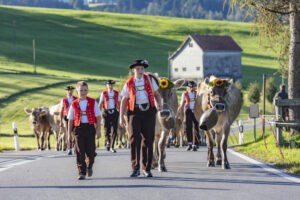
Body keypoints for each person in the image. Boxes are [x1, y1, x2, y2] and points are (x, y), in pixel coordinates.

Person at [119, 59, 162, 178]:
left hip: (149, 111)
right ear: (133, 70)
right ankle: (135, 168)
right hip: (134, 112)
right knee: (134, 139)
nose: (140, 71)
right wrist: (121, 117)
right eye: (138, 69)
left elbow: (157, 94)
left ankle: (147, 168)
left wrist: (159, 103)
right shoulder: (128, 83)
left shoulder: (150, 80)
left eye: (142, 69)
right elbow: (124, 100)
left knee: (148, 139)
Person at [67, 81, 101, 180]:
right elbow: (70, 120)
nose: (83, 92)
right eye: (81, 90)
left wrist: (98, 130)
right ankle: (81, 172)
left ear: (88, 91)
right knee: (79, 151)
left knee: (91, 152)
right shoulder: (73, 104)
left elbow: (98, 116)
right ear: (77, 92)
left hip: (90, 128)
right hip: (78, 129)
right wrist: (69, 134)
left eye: (85, 90)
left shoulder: (92, 102)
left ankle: (89, 166)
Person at [99, 80, 121, 153]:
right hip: (106, 113)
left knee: (114, 129)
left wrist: (121, 114)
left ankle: (112, 146)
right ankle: (108, 141)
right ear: (107, 86)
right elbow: (101, 104)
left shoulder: (117, 93)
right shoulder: (104, 93)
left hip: (114, 112)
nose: (110, 86)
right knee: (106, 129)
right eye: (109, 85)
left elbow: (120, 104)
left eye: (111, 85)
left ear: (113, 85)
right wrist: (98, 114)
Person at [178, 81, 200, 151]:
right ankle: (190, 143)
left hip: (196, 111)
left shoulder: (197, 94)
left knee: (196, 126)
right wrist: (180, 115)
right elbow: (181, 105)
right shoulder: (184, 94)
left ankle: (196, 143)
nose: (191, 88)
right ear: (187, 87)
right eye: (190, 87)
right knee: (188, 127)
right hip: (188, 111)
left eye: (192, 87)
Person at [60, 86, 77, 155]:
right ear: (66, 91)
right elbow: (61, 110)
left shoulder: (76, 99)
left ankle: (74, 146)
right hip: (66, 118)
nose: (69, 92)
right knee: (68, 133)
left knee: (75, 132)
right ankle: (69, 148)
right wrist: (61, 121)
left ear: (72, 91)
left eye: (71, 90)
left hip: (75, 117)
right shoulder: (63, 100)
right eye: (68, 90)